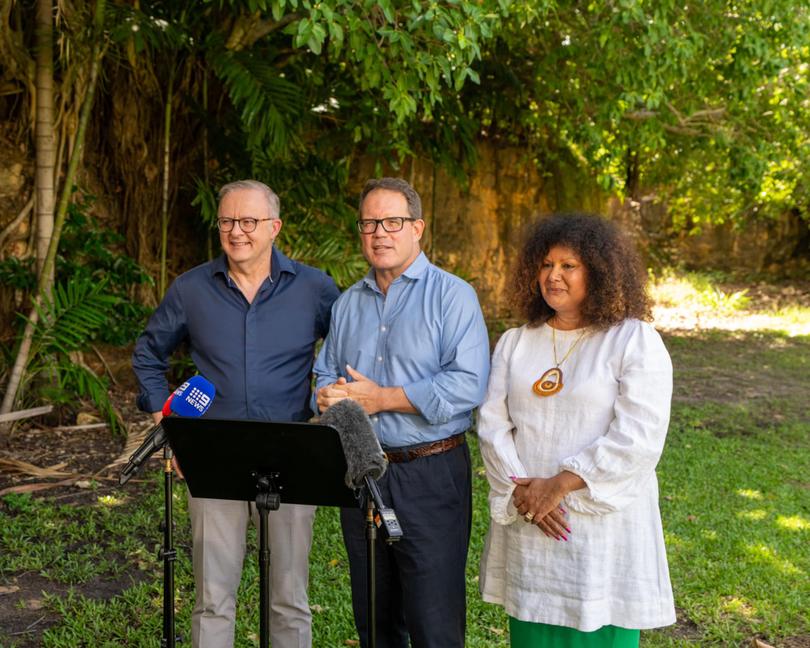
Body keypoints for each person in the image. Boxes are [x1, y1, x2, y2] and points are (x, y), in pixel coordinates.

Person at [132, 179, 340, 648]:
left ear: (274, 227)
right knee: (212, 598)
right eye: (227, 220)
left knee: (289, 598)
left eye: (249, 221)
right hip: (213, 459)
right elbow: (148, 355)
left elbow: (350, 348)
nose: (237, 231)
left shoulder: (314, 287)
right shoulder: (190, 289)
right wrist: (165, 420)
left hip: (292, 457)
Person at [477, 213, 676, 647]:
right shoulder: (516, 341)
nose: (554, 276)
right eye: (547, 264)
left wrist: (561, 486)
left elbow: (639, 436)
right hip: (531, 526)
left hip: (599, 534)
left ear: (600, 272)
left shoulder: (633, 340)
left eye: (569, 266)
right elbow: (493, 425)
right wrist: (525, 493)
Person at [313, 177, 490, 648]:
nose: (380, 233)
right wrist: (327, 395)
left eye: (392, 221)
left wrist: (382, 398)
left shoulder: (453, 296)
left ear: (418, 228)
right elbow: (324, 372)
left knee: (434, 622)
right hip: (363, 474)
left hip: (429, 472)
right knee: (374, 619)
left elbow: (468, 384)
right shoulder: (348, 303)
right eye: (369, 223)